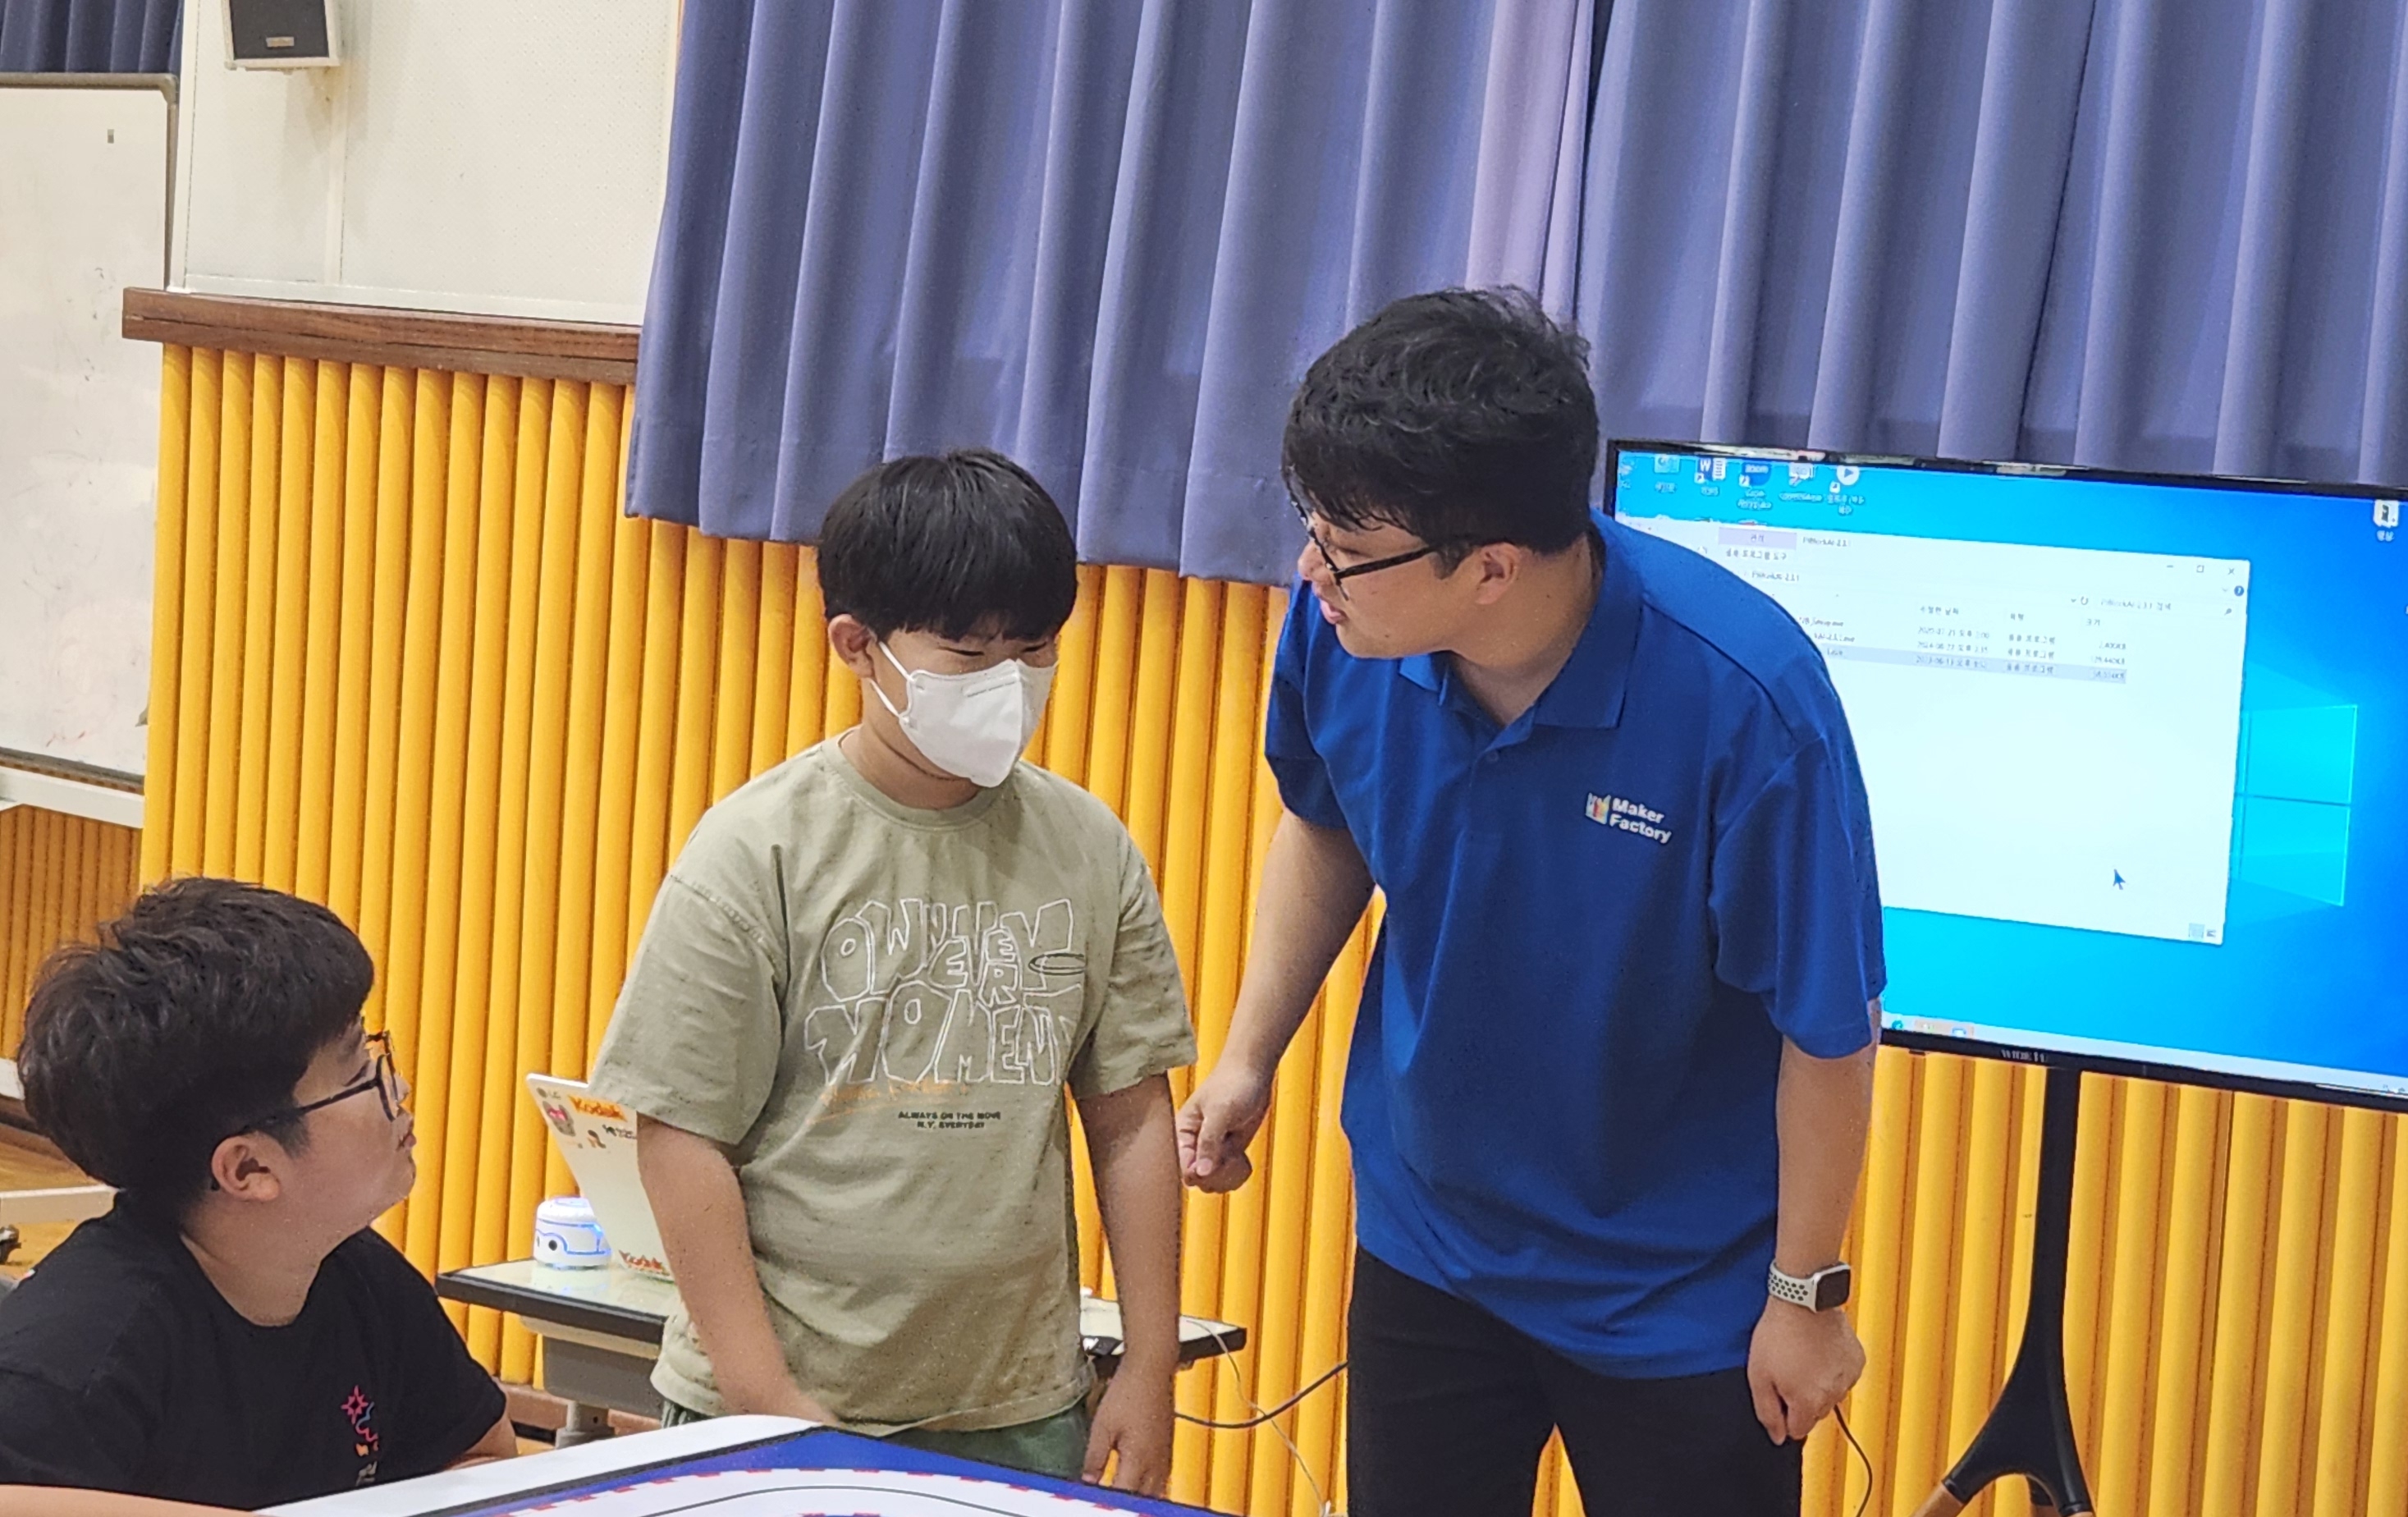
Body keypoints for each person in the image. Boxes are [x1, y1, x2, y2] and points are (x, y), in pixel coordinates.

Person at [1174, 289, 1885, 1515]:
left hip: (1673, 1293)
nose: (1309, 569)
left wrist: (1804, 1297)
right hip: (1430, 1243)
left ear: (1492, 567)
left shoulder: (1748, 702)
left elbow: (1826, 1026)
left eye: (1344, 545)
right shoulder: (1346, 628)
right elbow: (1329, 819)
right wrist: (1248, 1056)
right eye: (1312, 529)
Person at [588, 449, 1198, 1490]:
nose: (1008, 684)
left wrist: (1148, 1366)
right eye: (967, 654)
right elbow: (681, 1135)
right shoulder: (756, 852)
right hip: (777, 1403)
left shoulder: (1090, 848)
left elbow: (1132, 1115)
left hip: (1016, 1408)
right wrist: (762, 1394)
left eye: (1035, 650)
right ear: (857, 645)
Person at [0, 878, 515, 1506]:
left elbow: (481, 1456)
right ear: (247, 1169)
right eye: (359, 1072)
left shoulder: (357, 1276)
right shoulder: (79, 1354)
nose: (399, 1089)